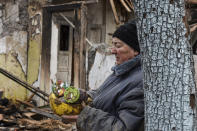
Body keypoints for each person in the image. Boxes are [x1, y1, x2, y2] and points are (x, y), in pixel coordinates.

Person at [67, 21, 144, 131]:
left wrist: (87, 116)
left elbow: (123, 128)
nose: (112, 50)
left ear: (135, 50)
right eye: (113, 45)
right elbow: (103, 95)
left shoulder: (139, 83)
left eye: (117, 45)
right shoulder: (120, 73)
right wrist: (84, 96)